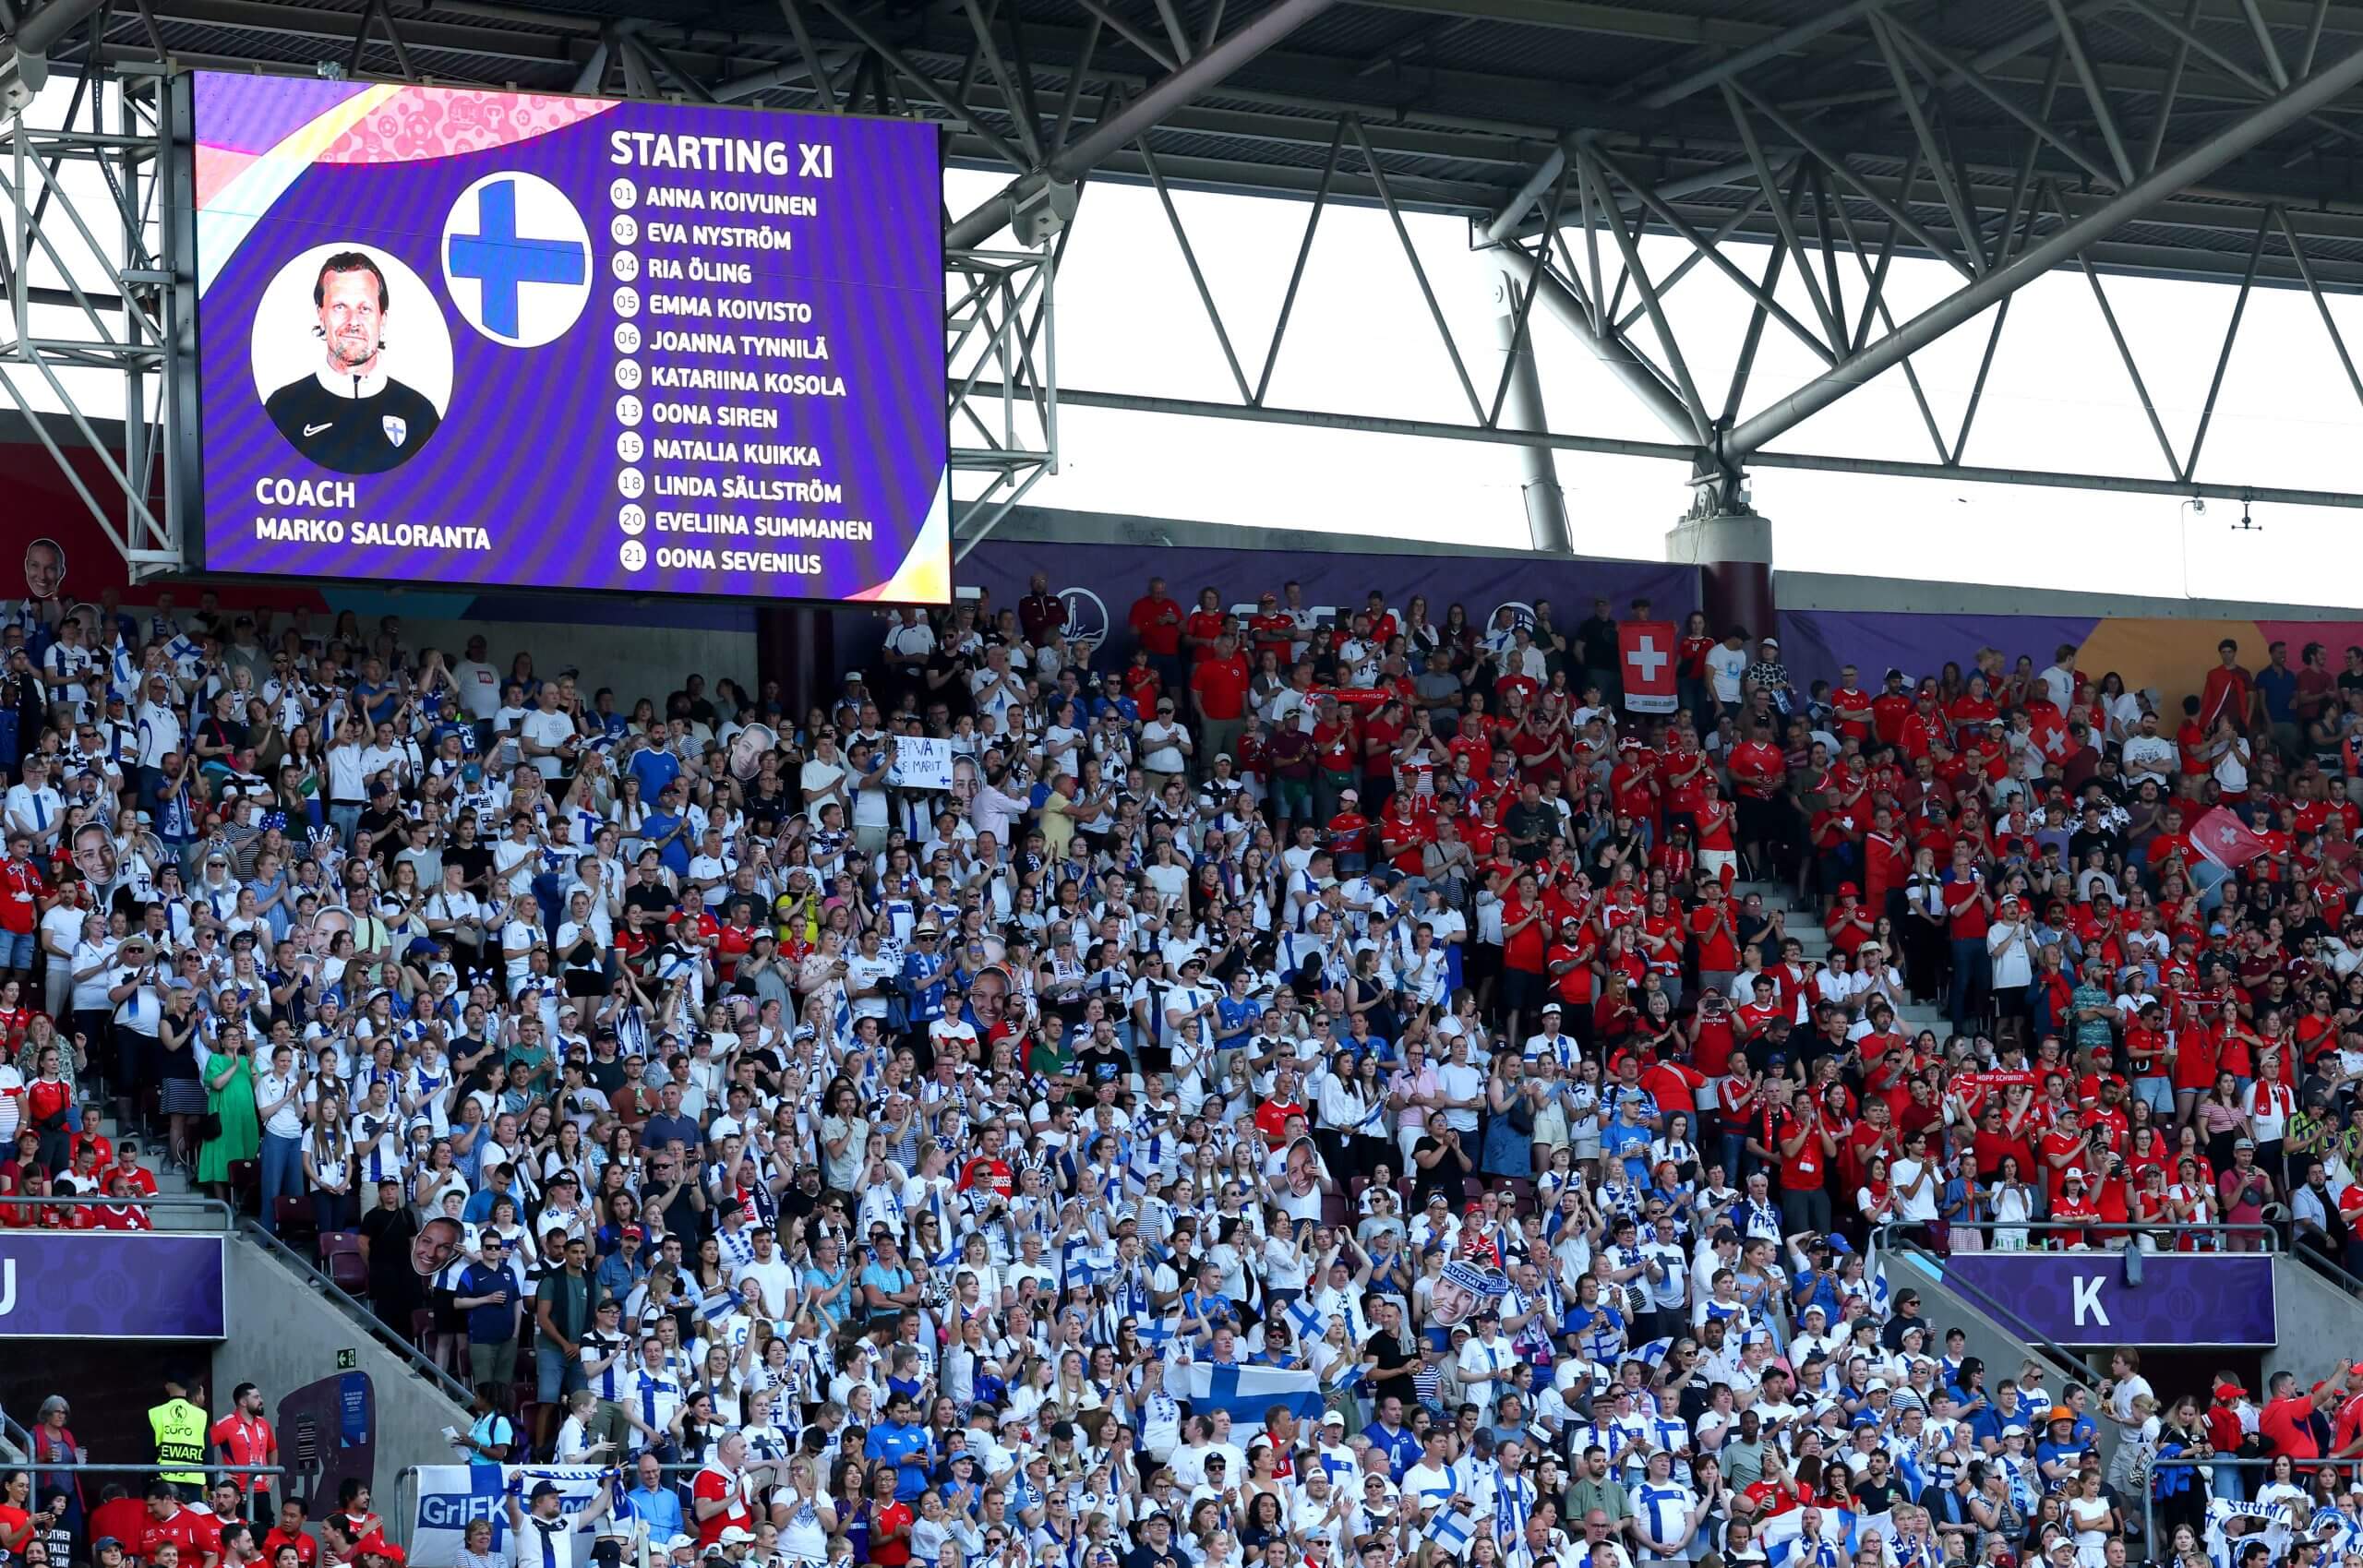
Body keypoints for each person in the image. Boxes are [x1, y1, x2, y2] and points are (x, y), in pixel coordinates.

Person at [260, 251, 440, 473]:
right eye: (340, 307)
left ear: (382, 319)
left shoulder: (421, 416)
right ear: (321, 315)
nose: (353, 321)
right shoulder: (282, 409)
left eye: (365, 309)